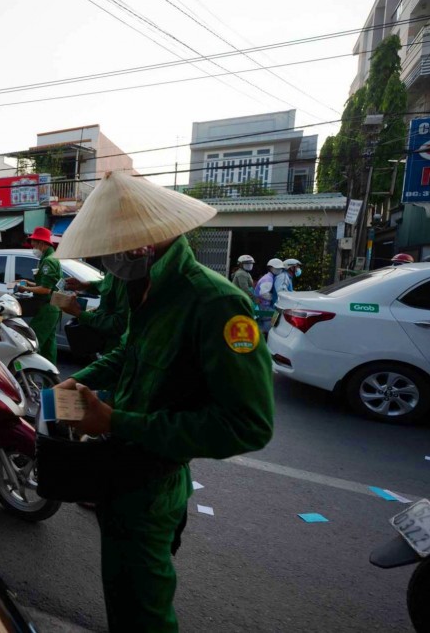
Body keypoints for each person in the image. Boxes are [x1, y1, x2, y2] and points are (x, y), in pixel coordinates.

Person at [52, 171, 274, 632]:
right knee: (122, 601)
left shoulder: (217, 304)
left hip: (152, 486)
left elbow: (248, 425)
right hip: (120, 476)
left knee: (143, 617)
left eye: (113, 250)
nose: (107, 262)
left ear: (143, 247)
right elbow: (126, 353)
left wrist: (115, 421)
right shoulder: (148, 293)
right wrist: (73, 386)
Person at [16, 226, 62, 363]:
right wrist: (28, 283)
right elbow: (46, 284)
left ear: (42, 243)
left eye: (34, 244)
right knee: (48, 346)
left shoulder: (49, 261)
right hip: (52, 307)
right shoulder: (49, 258)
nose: (32, 247)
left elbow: (46, 289)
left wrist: (25, 289)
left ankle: (32, 372)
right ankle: (50, 376)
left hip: (47, 308)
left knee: (33, 342)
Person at [61, 272, 128, 351]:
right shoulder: (116, 270)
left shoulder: (126, 275)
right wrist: (84, 285)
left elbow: (119, 324)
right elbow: (107, 285)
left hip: (116, 347)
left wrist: (79, 313)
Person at [252, 258, 284, 337]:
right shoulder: (268, 279)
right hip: (263, 305)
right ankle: (267, 334)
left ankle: (263, 334)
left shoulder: (269, 277)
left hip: (261, 305)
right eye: (277, 268)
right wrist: (274, 298)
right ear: (270, 268)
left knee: (265, 321)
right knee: (275, 315)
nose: (279, 270)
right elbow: (263, 293)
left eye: (280, 269)